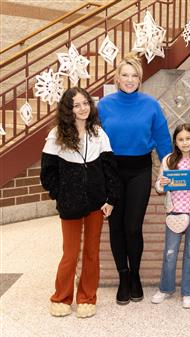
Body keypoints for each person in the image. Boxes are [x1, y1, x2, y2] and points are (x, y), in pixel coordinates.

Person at [98, 53, 172, 305]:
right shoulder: (104, 106)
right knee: (115, 226)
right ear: (117, 78)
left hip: (140, 170)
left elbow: (162, 140)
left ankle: (136, 274)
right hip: (112, 172)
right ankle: (123, 276)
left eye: (135, 76)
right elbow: (93, 140)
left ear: (140, 79)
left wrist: (169, 169)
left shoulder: (151, 104)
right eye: (125, 75)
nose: (130, 80)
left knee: (132, 227)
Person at [40, 87, 120, 318]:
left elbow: (110, 170)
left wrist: (111, 199)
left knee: (92, 253)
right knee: (70, 253)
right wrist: (61, 194)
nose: (83, 108)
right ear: (68, 109)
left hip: (96, 203)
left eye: (85, 103)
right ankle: (61, 298)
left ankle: (87, 297)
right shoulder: (56, 135)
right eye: (77, 105)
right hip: (70, 204)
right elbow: (47, 173)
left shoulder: (99, 133)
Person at [151, 124, 190, 309]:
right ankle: (165, 288)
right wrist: (162, 183)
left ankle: (188, 292)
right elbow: (159, 187)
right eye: (180, 139)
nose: (185, 142)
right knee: (170, 253)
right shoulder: (168, 160)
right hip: (175, 212)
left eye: (188, 138)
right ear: (175, 142)